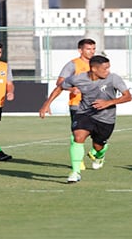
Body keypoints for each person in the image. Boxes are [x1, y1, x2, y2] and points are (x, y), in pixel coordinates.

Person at [56, 55, 132, 183]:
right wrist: (46, 104)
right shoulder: (78, 78)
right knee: (78, 137)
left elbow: (128, 96)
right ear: (94, 69)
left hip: (106, 118)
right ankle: (75, 172)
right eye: (105, 69)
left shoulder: (113, 78)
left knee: (98, 146)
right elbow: (60, 86)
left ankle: (99, 155)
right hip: (85, 113)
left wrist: (108, 103)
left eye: (108, 68)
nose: (108, 71)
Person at [39, 38, 97, 169]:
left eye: (93, 49)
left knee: (98, 133)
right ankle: (78, 161)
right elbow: (60, 83)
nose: (91, 52)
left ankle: (96, 153)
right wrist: (71, 89)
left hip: (96, 104)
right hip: (77, 104)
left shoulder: (97, 64)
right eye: (88, 49)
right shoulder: (73, 65)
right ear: (80, 50)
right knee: (78, 133)